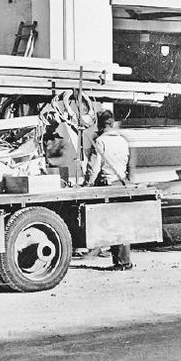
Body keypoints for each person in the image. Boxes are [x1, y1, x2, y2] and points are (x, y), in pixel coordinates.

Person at [81, 108, 134, 271]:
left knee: (111, 222)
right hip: (121, 184)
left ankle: (120, 262)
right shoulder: (123, 141)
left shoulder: (101, 142)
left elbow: (94, 168)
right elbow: (126, 163)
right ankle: (124, 260)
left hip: (108, 185)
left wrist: (87, 184)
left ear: (100, 124)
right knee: (122, 223)